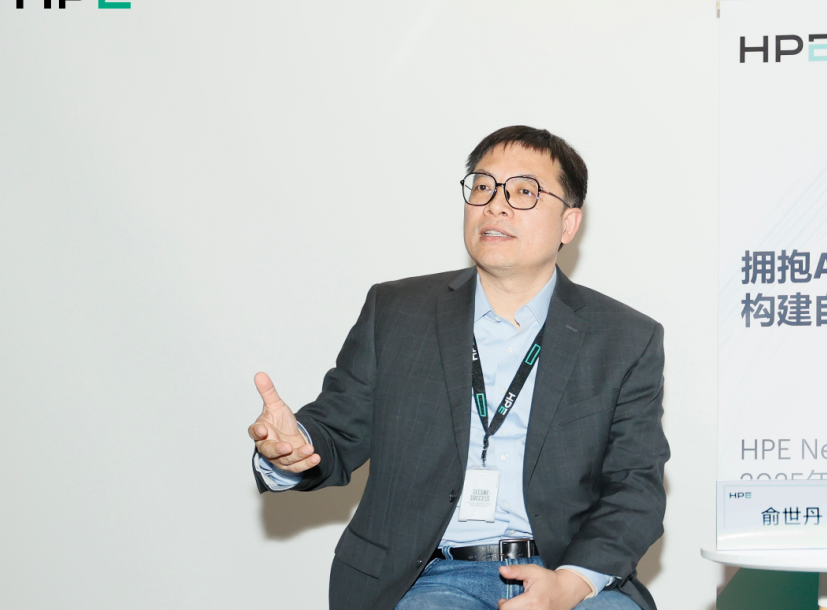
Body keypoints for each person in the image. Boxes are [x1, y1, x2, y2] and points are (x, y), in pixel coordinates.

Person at [248, 126, 669, 610]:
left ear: (568, 224)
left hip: (566, 575)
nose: (495, 205)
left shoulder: (624, 338)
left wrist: (570, 585)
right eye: (483, 186)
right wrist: (291, 449)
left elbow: (635, 488)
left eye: (524, 192)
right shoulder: (397, 312)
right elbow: (336, 432)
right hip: (432, 576)